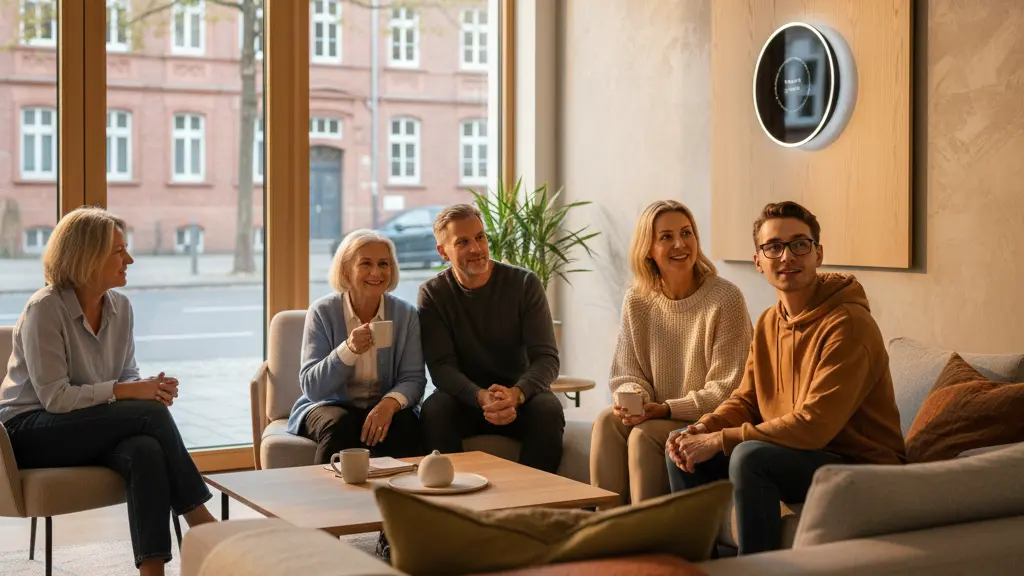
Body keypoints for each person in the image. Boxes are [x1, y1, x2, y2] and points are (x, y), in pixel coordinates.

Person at [665, 201, 906, 555]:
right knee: (680, 444)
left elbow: (814, 426)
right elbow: (747, 400)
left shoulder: (849, 325)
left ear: (818, 254)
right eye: (773, 247)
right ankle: (697, 567)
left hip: (862, 467)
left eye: (799, 244)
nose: (787, 256)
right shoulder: (768, 322)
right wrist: (702, 429)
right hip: (797, 457)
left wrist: (719, 440)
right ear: (758, 261)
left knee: (750, 457)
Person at [0, 207, 216, 576]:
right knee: (149, 415)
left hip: (84, 426)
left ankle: (152, 571)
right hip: (27, 432)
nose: (129, 259)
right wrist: (133, 395)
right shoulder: (44, 309)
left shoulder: (122, 308)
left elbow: (125, 377)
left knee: (144, 448)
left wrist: (148, 389)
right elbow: (55, 398)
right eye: (119, 251)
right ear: (86, 256)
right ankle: (201, 519)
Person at [591, 200, 752, 506]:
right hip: (659, 412)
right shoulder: (637, 299)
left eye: (687, 233)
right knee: (606, 422)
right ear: (648, 249)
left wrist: (665, 409)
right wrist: (633, 397)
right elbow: (626, 372)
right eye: (666, 236)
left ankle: (648, 539)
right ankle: (606, 530)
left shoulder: (725, 299)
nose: (680, 244)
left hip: (708, 420)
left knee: (645, 434)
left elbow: (729, 389)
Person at [418, 204, 564, 473]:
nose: (476, 248)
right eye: (463, 242)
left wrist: (517, 394)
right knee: (435, 410)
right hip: (464, 400)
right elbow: (441, 368)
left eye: (480, 237)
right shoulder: (433, 294)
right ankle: (454, 507)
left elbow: (546, 358)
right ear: (443, 251)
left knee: (548, 409)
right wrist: (480, 396)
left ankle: (535, 506)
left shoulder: (524, 284)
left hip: (518, 398)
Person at [288, 229, 426, 463]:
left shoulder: (406, 314)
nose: (376, 272)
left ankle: (405, 497)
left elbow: (414, 379)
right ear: (345, 270)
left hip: (382, 403)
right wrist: (348, 351)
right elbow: (312, 388)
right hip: (328, 406)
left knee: (405, 425)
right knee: (341, 424)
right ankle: (328, 497)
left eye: (383, 263)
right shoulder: (323, 312)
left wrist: (389, 404)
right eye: (365, 263)